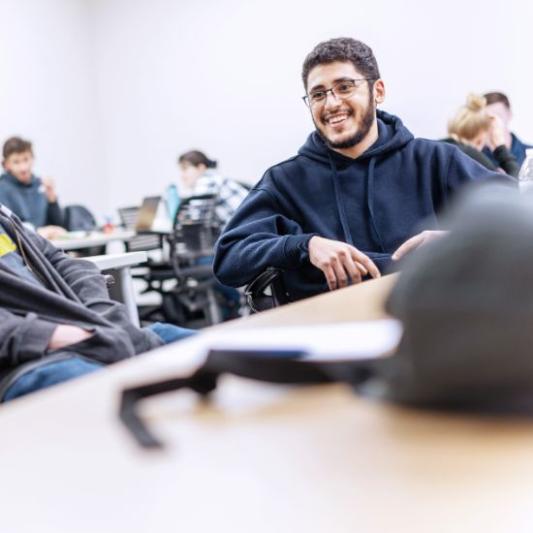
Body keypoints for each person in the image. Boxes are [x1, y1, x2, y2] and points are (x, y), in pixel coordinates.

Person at [214, 37, 504, 303]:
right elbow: (228, 259)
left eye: (344, 87)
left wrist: (459, 240)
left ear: (377, 91)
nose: (331, 103)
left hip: (434, 324)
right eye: (317, 94)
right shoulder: (284, 182)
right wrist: (303, 246)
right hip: (334, 339)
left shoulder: (435, 160)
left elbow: (518, 217)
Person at [0, 204, 194, 401]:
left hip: (90, 330)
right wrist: (48, 335)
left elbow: (62, 261)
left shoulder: (4, 217)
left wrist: (100, 311)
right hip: (28, 361)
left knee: (202, 348)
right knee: (113, 397)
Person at [0, 136, 66, 239]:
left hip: (48, 246)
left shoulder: (40, 185)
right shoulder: (3, 189)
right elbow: (8, 228)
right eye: (16, 162)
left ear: (33, 159)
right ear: (6, 165)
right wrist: (37, 231)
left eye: (26, 159)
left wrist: (52, 199)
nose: (23, 167)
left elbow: (59, 224)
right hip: (23, 250)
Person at [442, 93, 519, 176]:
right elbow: (515, 186)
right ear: (481, 136)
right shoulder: (473, 157)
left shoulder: (437, 149)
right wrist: (501, 148)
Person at [177, 150, 249, 227]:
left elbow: (195, 217)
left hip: (244, 230)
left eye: (185, 169)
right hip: (248, 226)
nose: (182, 175)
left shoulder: (207, 181)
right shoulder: (215, 178)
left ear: (201, 168)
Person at [482, 92, 532, 168]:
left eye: (498, 115)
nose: (493, 123)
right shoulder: (472, 158)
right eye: (486, 118)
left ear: (509, 114)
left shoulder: (530, 156)